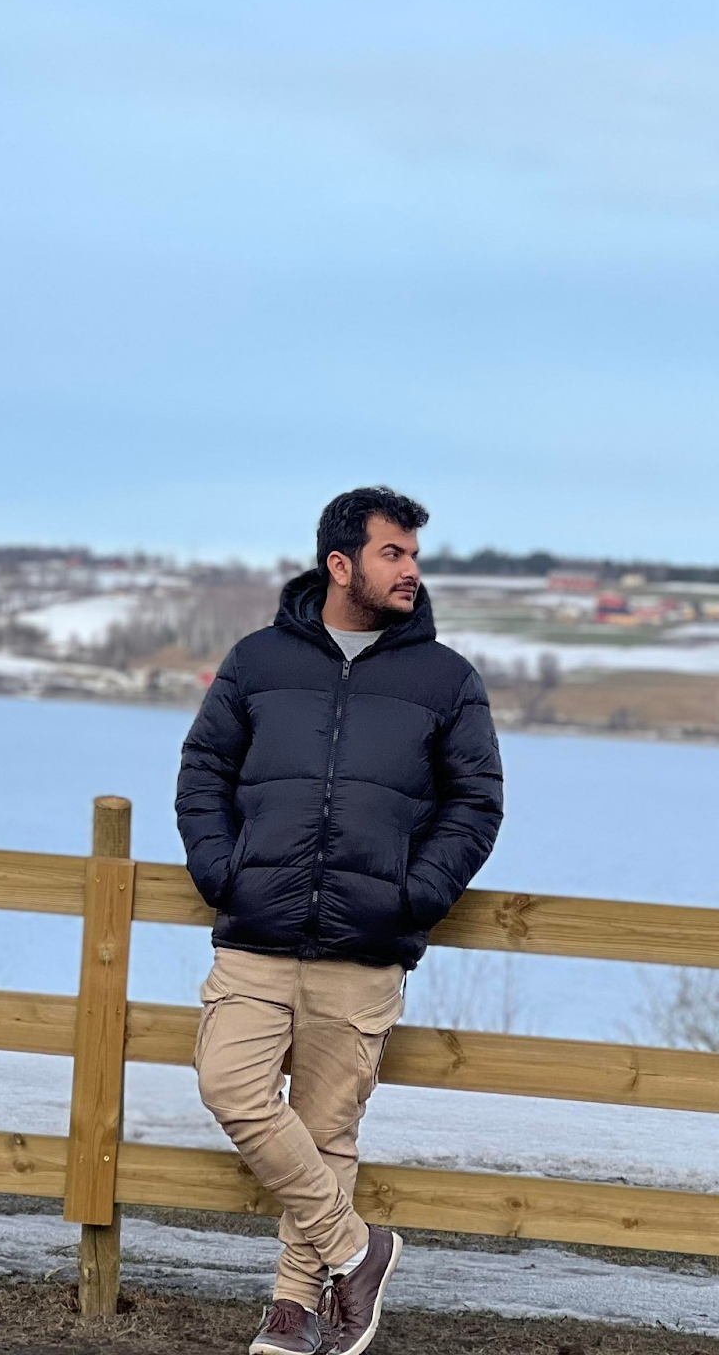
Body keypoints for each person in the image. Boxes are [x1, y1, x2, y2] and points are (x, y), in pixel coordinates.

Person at [177, 487, 504, 1355]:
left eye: (414, 555)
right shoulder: (257, 662)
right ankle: (359, 1251)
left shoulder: (446, 681)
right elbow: (203, 771)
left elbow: (475, 805)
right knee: (230, 1087)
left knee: (327, 1133)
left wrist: (413, 894)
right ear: (340, 564)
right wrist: (222, 872)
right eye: (393, 553)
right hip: (256, 935)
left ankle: (293, 1310)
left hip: (364, 948)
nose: (411, 570)